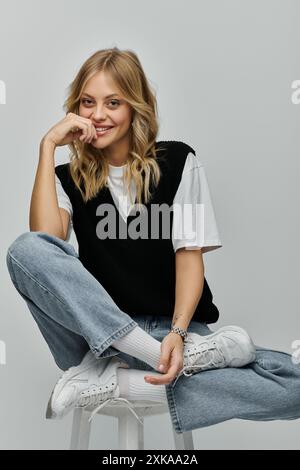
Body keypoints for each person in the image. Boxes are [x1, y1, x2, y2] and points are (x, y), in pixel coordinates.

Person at [6, 47, 300, 435]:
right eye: (88, 102)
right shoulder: (65, 178)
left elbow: (189, 256)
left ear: (135, 107)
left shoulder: (181, 162)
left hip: (169, 330)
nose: (98, 114)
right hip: (89, 341)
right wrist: (46, 149)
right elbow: (45, 245)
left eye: (113, 103)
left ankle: (123, 376)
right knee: (24, 250)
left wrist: (178, 335)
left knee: (292, 386)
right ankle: (152, 358)